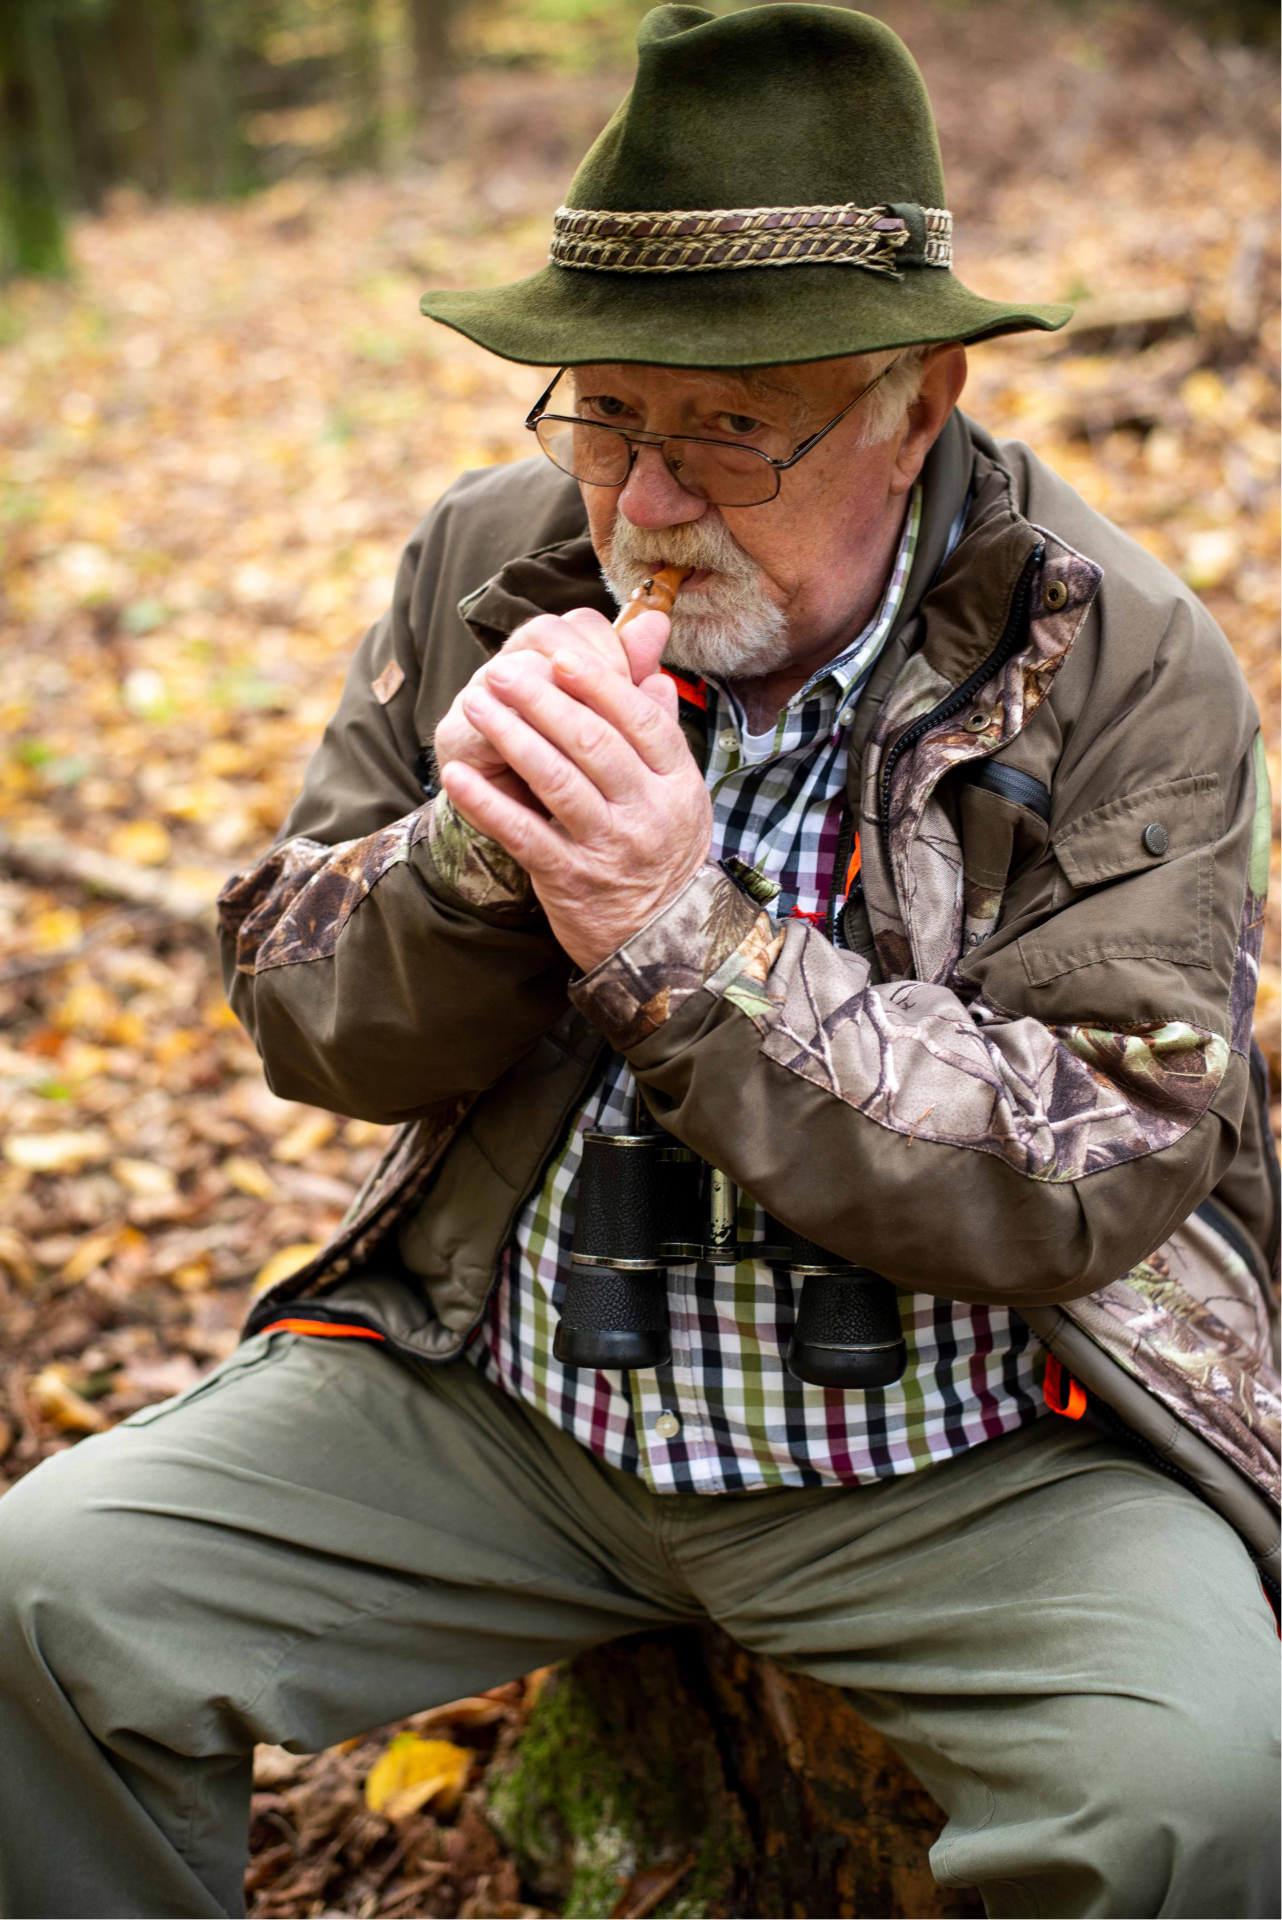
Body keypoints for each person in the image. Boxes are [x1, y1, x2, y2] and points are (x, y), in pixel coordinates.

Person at [3, 7, 1282, 1916]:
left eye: (727, 432)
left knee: (1188, 1796)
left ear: (915, 403)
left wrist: (682, 935)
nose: (645, 504)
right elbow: (292, 997)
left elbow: (1097, 1159)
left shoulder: (1117, 664)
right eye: (604, 412)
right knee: (46, 1601)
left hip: (962, 1457)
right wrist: (471, 856)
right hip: (509, 1409)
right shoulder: (490, 559)